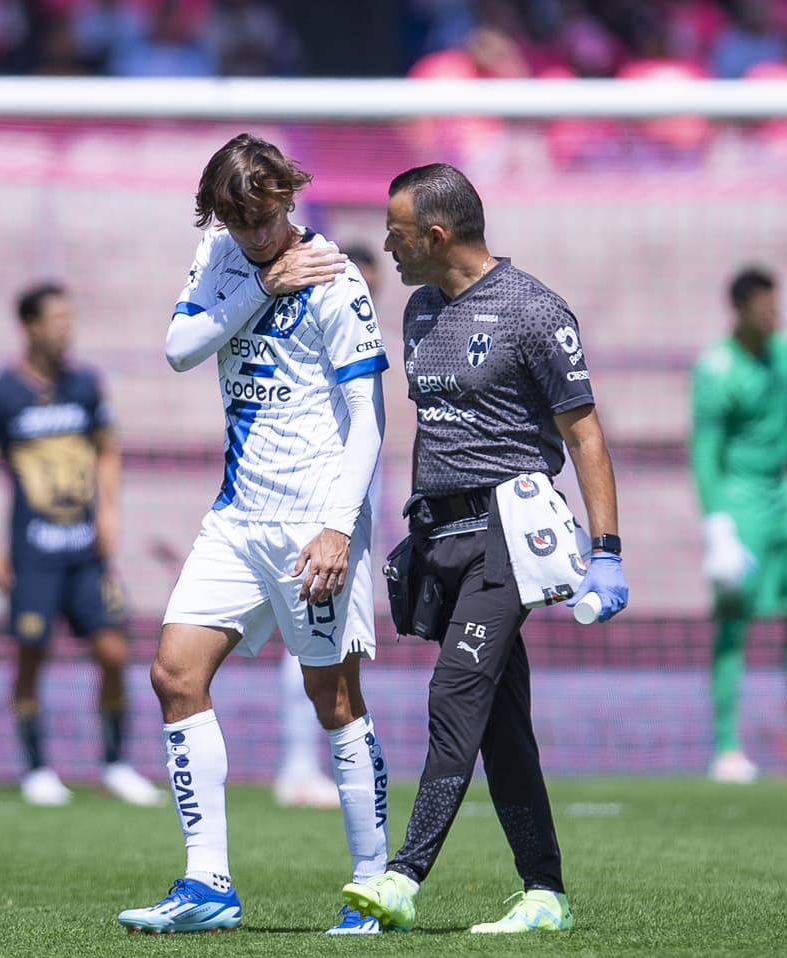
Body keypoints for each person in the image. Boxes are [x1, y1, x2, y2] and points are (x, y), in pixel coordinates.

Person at [342, 163, 628, 935]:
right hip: (442, 537)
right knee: (502, 726)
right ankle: (545, 894)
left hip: (511, 532)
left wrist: (607, 549)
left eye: (397, 232)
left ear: (435, 235)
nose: (389, 247)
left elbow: (584, 432)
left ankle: (402, 878)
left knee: (455, 693)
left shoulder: (533, 310)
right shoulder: (417, 311)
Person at [116, 133, 392, 935]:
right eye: (239, 223)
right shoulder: (223, 257)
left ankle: (374, 888)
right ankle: (209, 885)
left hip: (314, 524)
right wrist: (260, 284)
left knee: (333, 699)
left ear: (289, 197)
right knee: (174, 674)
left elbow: (369, 419)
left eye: (265, 219)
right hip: (237, 518)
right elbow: (178, 351)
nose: (255, 235)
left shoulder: (337, 280)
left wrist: (340, 529)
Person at [0, 282, 162, 808]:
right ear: (29, 326)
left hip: (85, 551)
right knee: (31, 653)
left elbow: (107, 450)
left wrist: (111, 513)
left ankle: (115, 763)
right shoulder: (3, 392)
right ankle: (35, 769)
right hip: (32, 552)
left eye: (70, 319)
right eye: (56, 320)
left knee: (113, 651)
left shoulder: (86, 385)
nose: (65, 329)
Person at [689, 266, 787, 784]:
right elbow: (704, 454)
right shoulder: (716, 368)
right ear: (742, 309)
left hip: (786, 500)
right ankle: (727, 745)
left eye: (779, 306)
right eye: (767, 308)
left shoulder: (785, 352)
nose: (777, 315)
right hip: (741, 500)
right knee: (734, 622)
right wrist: (718, 527)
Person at [271, 244, 385, 811]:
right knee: (319, 651)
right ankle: (296, 767)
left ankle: (303, 768)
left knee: (324, 653)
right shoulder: (322, 343)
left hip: (344, 515)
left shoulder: (359, 345)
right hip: (316, 515)